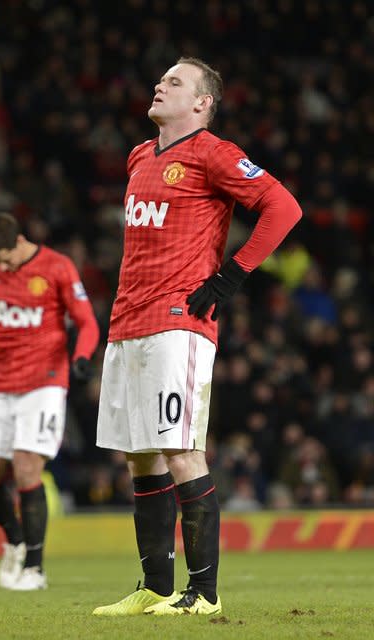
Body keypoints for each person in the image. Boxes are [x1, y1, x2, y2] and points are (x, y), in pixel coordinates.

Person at [91, 57, 302, 617]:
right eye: (160, 78)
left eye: (175, 82)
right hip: (127, 322)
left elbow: (284, 207)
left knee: (183, 450)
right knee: (141, 455)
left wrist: (231, 275)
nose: (160, 85)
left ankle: (203, 594)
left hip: (178, 322)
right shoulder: (140, 155)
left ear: (202, 103)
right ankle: (156, 587)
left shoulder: (215, 152)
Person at [0, 212, 99, 591]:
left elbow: (86, 321)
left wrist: (82, 357)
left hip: (44, 383)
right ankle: (15, 538)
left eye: (5, 258)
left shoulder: (57, 266)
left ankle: (34, 569)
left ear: (19, 241)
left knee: (26, 467)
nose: (0, 266)